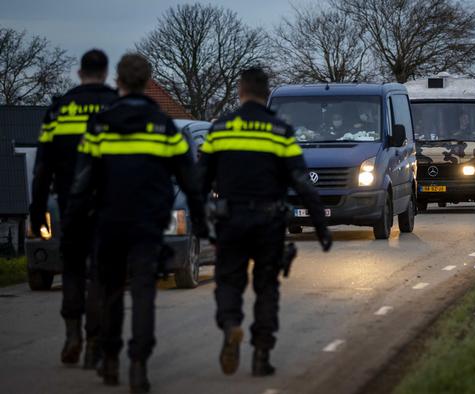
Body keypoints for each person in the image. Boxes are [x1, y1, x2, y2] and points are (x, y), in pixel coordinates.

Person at [64, 53, 208, 392]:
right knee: (144, 294)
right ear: (147, 82)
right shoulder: (164, 126)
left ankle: (110, 359)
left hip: (109, 222)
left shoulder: (100, 124)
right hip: (148, 224)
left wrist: (72, 220)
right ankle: (139, 365)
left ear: (119, 82)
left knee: (111, 291)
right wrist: (202, 218)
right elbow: (188, 179)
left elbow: (82, 182)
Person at [198, 67, 332, 377]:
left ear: (240, 91)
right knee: (266, 287)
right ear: (266, 93)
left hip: (230, 221)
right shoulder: (280, 131)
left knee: (229, 280)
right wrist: (321, 227)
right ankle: (261, 355)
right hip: (268, 222)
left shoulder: (219, 130)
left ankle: (231, 325)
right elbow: (302, 183)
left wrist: (200, 221)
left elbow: (199, 181)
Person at [29, 49, 117, 369]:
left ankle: (72, 335)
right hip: (108, 209)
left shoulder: (58, 111)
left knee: (73, 270)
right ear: (105, 74)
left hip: (70, 207)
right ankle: (94, 341)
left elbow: (42, 169)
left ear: (80, 73)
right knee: (101, 275)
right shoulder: (117, 108)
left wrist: (37, 211)